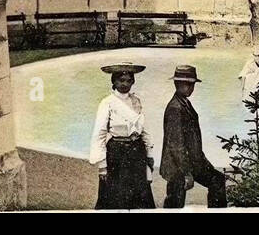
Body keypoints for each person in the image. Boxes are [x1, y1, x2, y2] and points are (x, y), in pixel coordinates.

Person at [160, 65, 227, 208]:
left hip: (193, 162)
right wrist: (186, 173)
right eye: (187, 84)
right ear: (176, 83)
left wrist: (205, 163)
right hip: (177, 166)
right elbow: (176, 145)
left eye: (192, 84)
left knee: (217, 180)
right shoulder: (175, 108)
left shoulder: (185, 103)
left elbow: (194, 142)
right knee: (175, 202)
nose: (190, 88)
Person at [89, 63, 156, 209]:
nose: (125, 84)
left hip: (137, 152)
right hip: (117, 153)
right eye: (121, 80)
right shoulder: (107, 103)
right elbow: (100, 134)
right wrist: (102, 166)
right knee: (115, 196)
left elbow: (143, 128)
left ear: (133, 81)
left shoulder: (136, 101)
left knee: (139, 195)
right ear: (114, 81)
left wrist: (149, 153)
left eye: (128, 80)